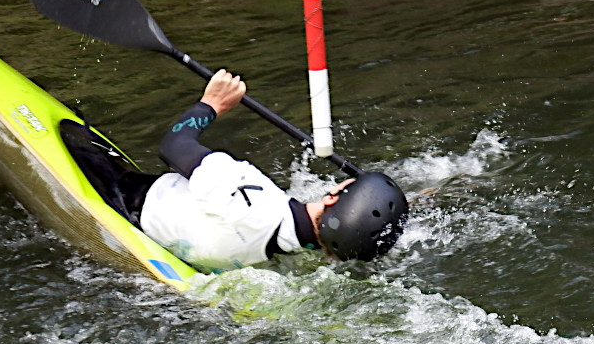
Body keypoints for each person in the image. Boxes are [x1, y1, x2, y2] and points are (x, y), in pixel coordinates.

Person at [133, 69, 409, 272]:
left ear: (331, 197)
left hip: (128, 198)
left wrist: (211, 103)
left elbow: (173, 146)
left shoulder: (250, 196)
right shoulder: (283, 258)